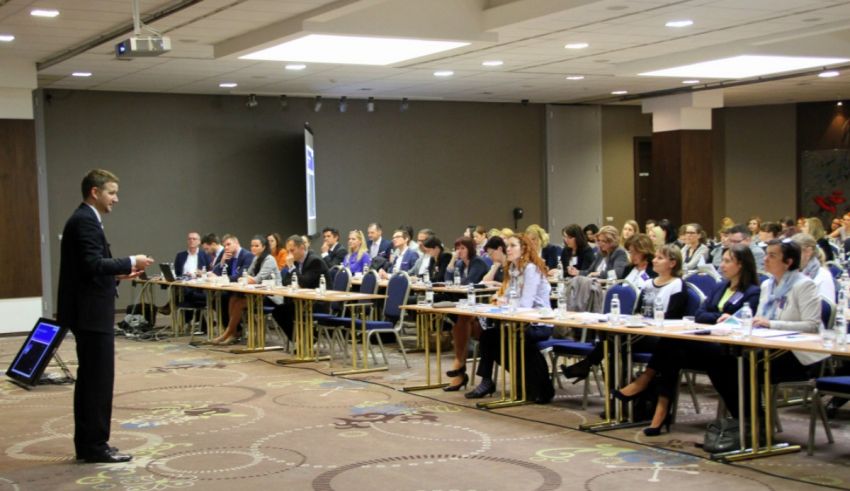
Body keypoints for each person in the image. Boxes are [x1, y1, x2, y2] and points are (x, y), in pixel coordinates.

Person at [58, 169, 154, 463]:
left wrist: (119, 274)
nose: (116, 198)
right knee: (97, 381)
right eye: (111, 192)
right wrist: (129, 260)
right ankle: (94, 446)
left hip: (89, 310)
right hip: (90, 314)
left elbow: (90, 268)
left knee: (93, 380)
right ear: (95, 192)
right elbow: (90, 264)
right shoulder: (85, 220)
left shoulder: (85, 219)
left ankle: (92, 443)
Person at [613, 245, 761, 435]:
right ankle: (661, 408)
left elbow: (740, 318)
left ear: (740, 265)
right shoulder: (720, 287)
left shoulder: (752, 292)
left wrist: (716, 316)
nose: (721, 265)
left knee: (672, 344)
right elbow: (700, 314)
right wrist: (719, 316)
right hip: (707, 343)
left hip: (727, 348)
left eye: (727, 261)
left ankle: (648, 384)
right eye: (722, 260)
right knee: (672, 349)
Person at [711, 239, 827, 421]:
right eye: (766, 254)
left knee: (742, 368)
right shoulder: (767, 285)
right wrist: (734, 320)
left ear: (788, 262)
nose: (765, 259)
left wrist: (771, 324)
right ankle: (745, 420)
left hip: (797, 354)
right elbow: (757, 320)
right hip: (768, 346)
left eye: (772, 256)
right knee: (721, 364)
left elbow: (812, 325)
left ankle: (755, 423)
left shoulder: (804, 285)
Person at [561, 244, 687, 384]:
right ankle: (617, 386)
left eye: (660, 258)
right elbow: (638, 311)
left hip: (661, 336)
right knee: (614, 341)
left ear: (672, 263)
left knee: (614, 341)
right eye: (655, 257)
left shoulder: (677, 284)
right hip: (642, 331)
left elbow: (674, 316)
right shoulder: (649, 283)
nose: (654, 260)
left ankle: (591, 368)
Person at [465, 234, 554, 403]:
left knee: (511, 341)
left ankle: (533, 384)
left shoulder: (531, 269)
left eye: (513, 245)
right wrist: (502, 300)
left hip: (539, 323)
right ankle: (487, 381)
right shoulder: (513, 269)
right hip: (518, 323)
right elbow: (504, 297)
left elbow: (525, 304)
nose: (508, 249)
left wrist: (504, 302)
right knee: (488, 336)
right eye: (507, 246)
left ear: (524, 249)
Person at [211, 235, 279, 345]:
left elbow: (257, 279)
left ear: (264, 247)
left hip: (271, 295)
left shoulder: (269, 259)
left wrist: (245, 278)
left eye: (257, 246)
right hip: (257, 294)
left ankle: (229, 332)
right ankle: (232, 332)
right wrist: (245, 278)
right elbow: (247, 274)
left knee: (239, 303)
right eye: (252, 246)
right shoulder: (256, 258)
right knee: (233, 298)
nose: (253, 248)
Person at [271, 235, 329, 340]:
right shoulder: (297, 261)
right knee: (279, 311)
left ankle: (305, 340)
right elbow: (285, 282)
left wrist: (292, 267)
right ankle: (302, 340)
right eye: (288, 251)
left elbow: (304, 282)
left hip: (318, 303)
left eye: (292, 250)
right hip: (303, 302)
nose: (289, 255)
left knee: (284, 312)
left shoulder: (314, 261)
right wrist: (293, 273)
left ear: (302, 247)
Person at [793, 233, 836, 302]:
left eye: (794, 253)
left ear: (808, 252)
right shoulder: (794, 272)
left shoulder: (823, 276)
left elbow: (824, 311)